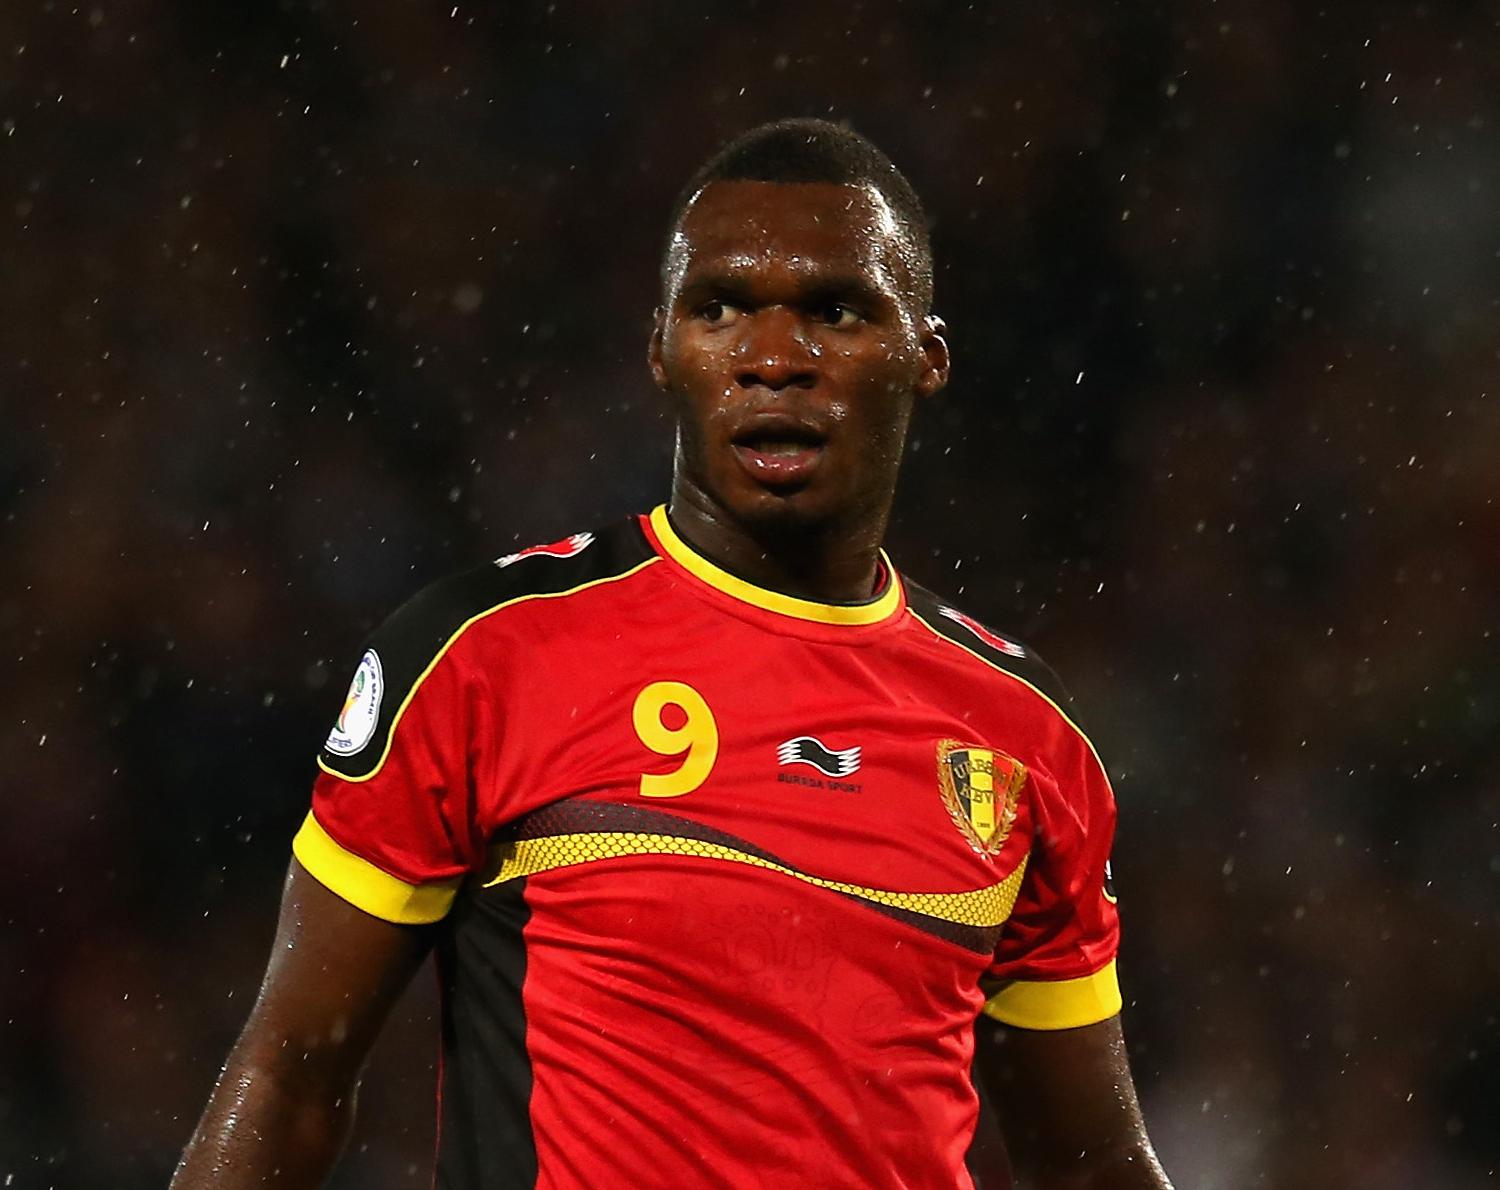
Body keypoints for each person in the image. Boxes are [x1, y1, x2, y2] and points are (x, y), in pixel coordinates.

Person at [172, 118, 1171, 1190]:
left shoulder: (1024, 733)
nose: (773, 359)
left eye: (835, 311)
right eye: (722, 308)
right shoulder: (485, 656)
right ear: (661, 348)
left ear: (926, 356)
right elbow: (290, 1074)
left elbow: (1095, 1163)